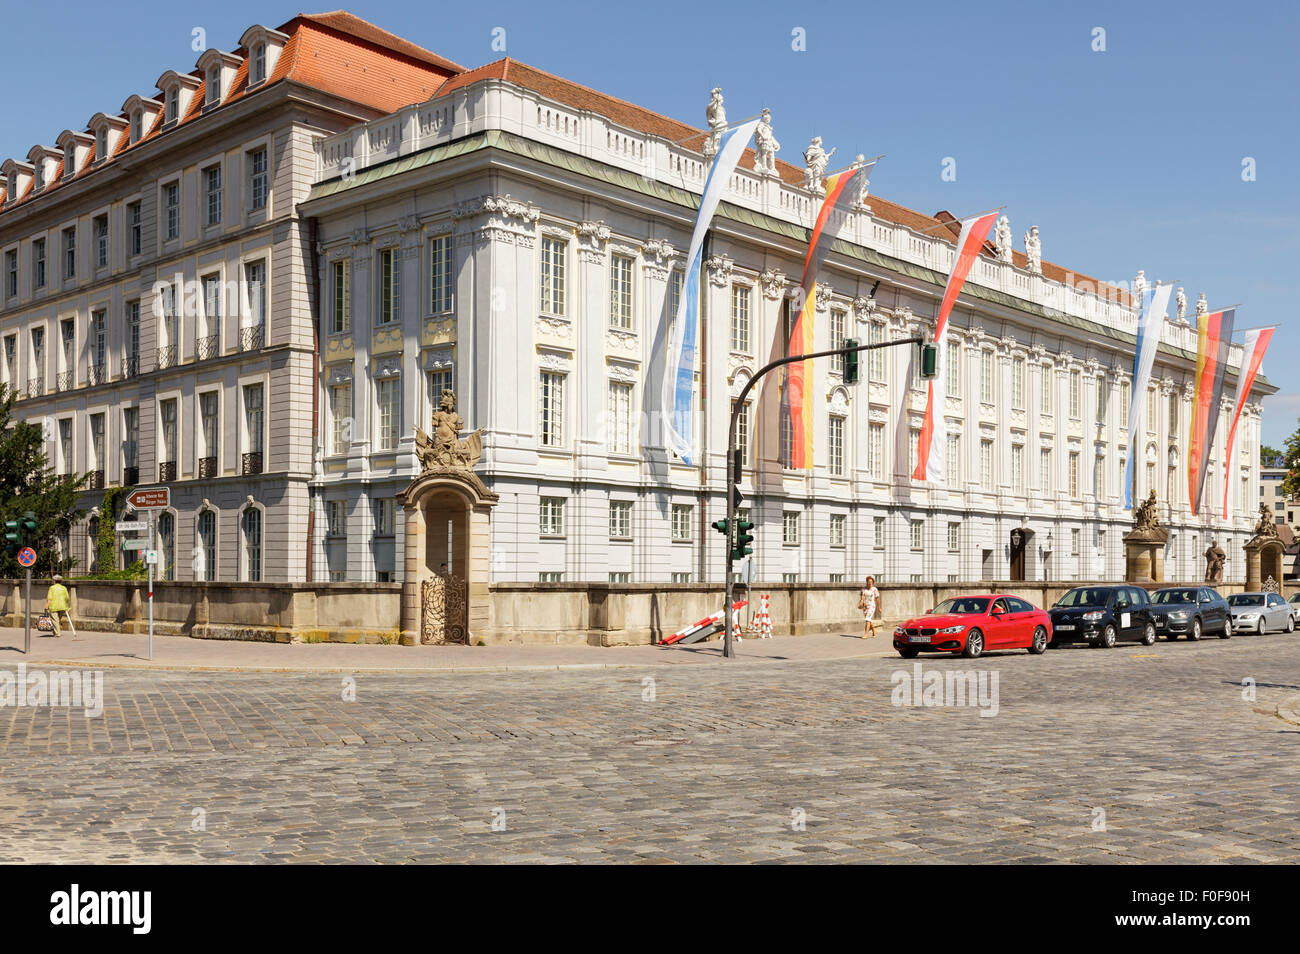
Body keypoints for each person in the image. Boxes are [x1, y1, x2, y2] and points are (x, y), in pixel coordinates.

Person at [44, 574, 76, 639]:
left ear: (54, 581)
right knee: (57, 620)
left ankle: (57, 633)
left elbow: (50, 597)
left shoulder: (52, 588)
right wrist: (66, 606)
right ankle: (55, 632)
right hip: (62, 606)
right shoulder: (64, 588)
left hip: (54, 606)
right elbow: (67, 597)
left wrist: (46, 606)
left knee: (55, 620)